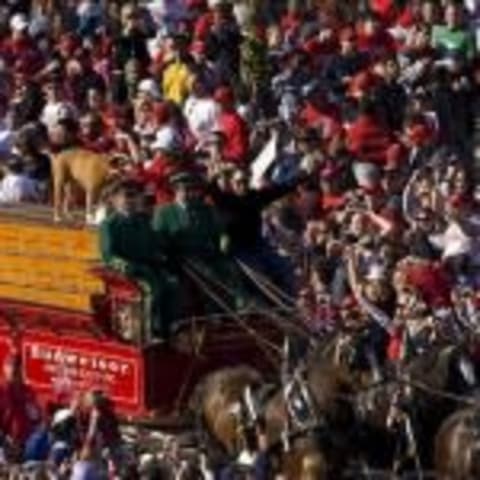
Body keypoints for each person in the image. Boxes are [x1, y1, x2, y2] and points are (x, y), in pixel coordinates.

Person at [152, 171, 250, 311]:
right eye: (184, 189)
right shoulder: (164, 212)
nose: (189, 193)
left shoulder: (205, 210)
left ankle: (238, 308)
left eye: (192, 189)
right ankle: (213, 312)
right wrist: (169, 254)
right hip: (181, 259)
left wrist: (224, 241)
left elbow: (219, 231)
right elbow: (159, 239)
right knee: (208, 275)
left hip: (207, 254)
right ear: (175, 191)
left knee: (231, 269)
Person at [99, 180, 178, 340]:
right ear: (115, 200)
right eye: (127, 196)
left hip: (150, 267)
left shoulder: (143, 220)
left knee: (173, 284)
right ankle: (148, 332)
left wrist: (164, 252)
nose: (132, 200)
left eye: (134, 196)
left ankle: (170, 327)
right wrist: (128, 266)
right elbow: (108, 255)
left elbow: (154, 243)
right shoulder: (110, 225)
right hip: (128, 272)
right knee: (151, 290)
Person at [0, 354, 41, 455]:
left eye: (16, 366)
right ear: (4, 369)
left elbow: (36, 417)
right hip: (6, 445)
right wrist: (6, 442)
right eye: (10, 366)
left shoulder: (28, 392)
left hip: (28, 445)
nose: (14, 370)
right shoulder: (1, 391)